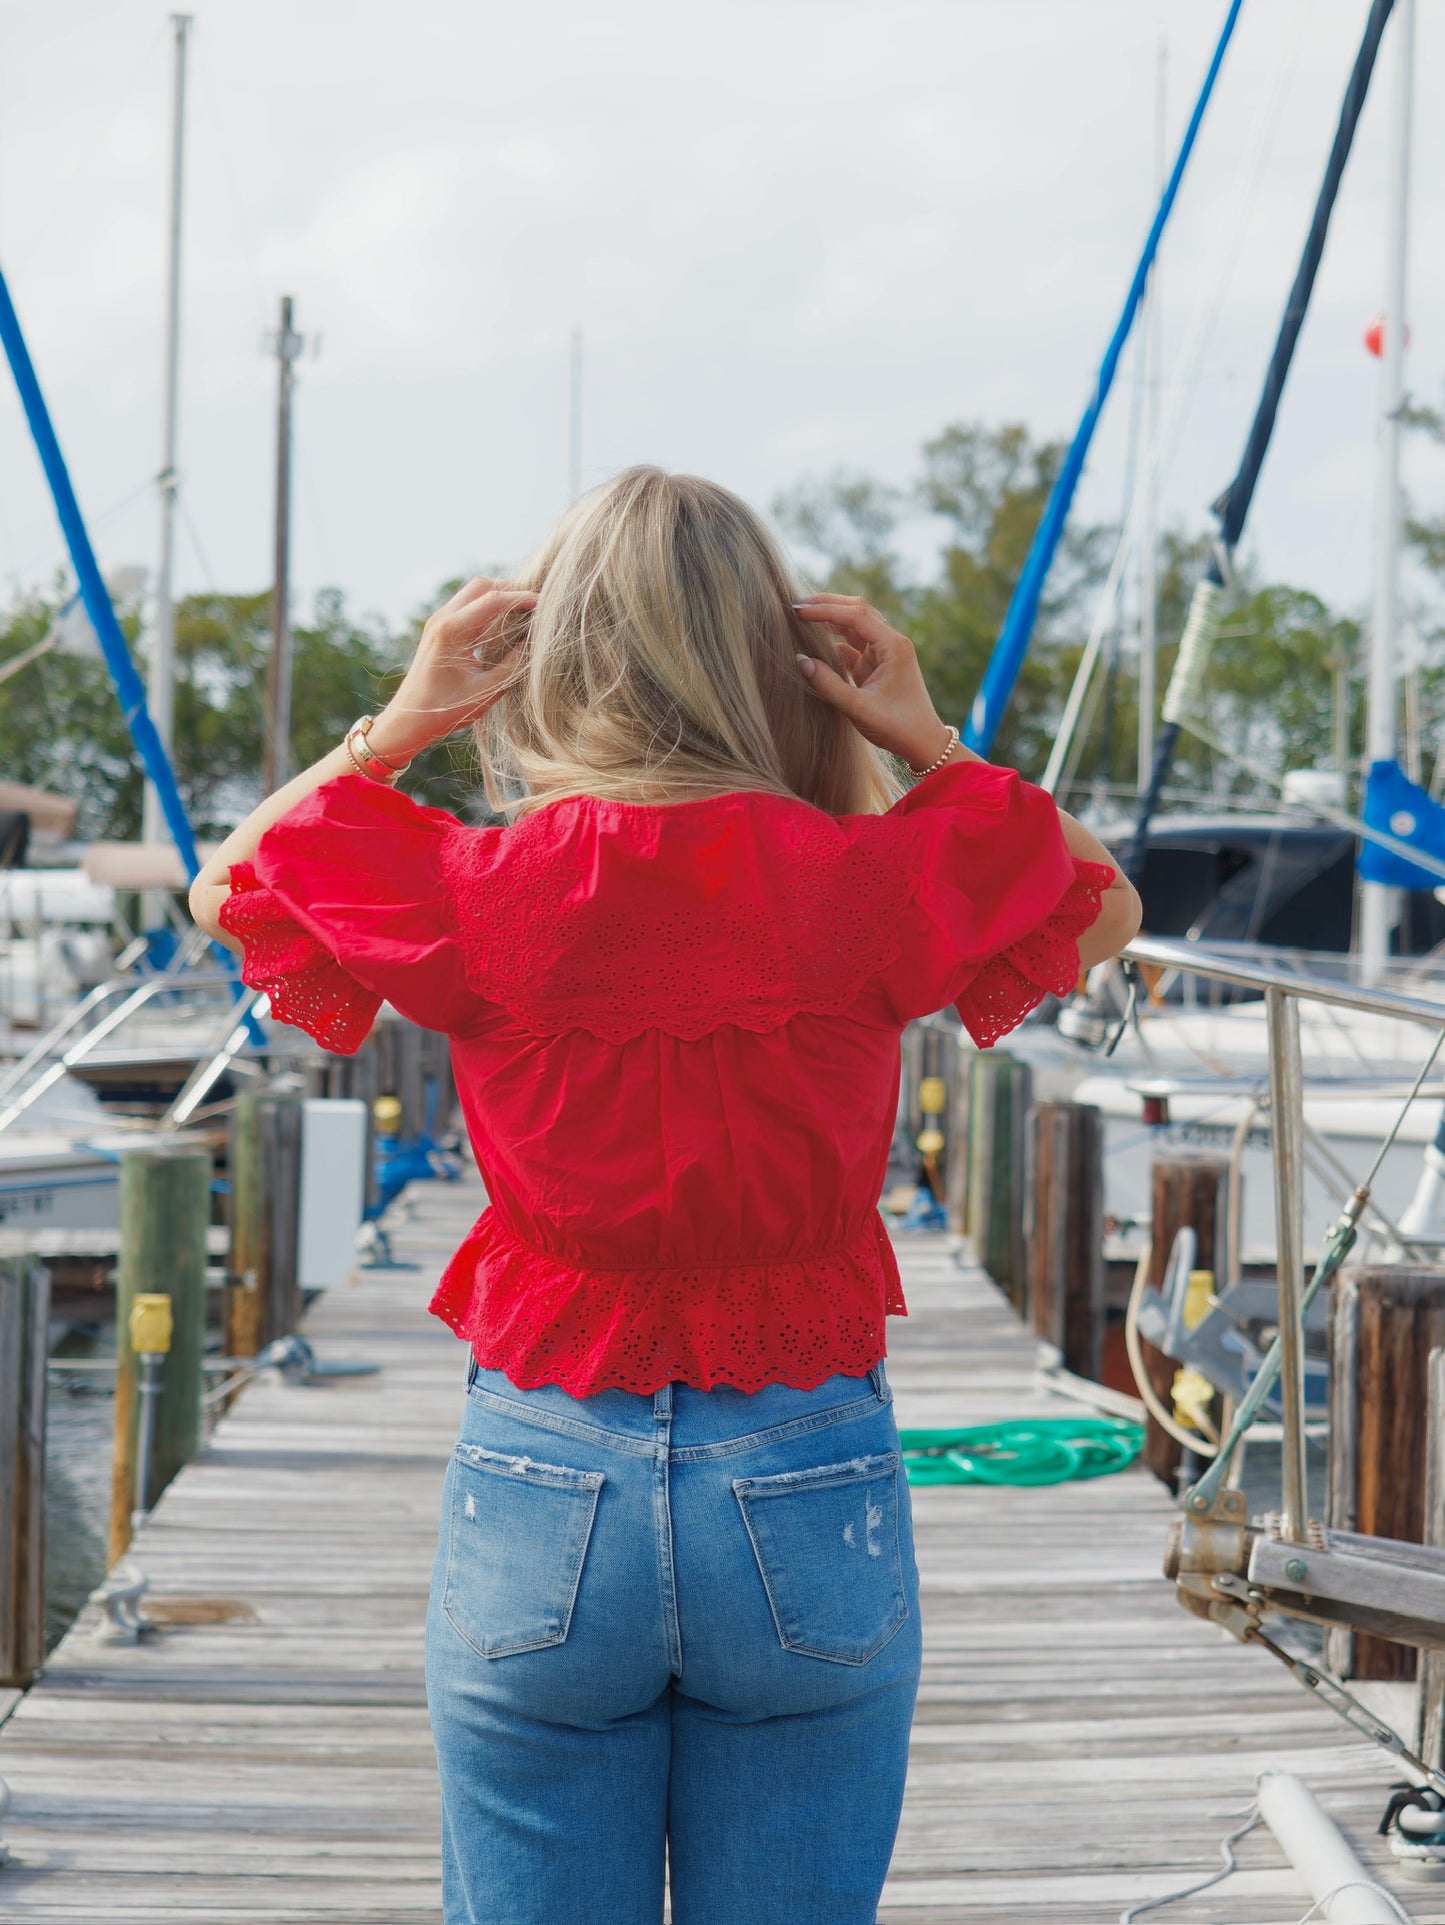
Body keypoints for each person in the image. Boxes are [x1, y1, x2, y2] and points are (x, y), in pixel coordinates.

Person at [190, 465, 1141, 1925]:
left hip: (542, 1462)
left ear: (552, 656)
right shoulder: (864, 879)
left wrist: (407, 717)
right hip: (804, 1458)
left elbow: (234, 882)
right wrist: (923, 734)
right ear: (782, 667)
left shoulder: (474, 881)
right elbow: (1102, 902)